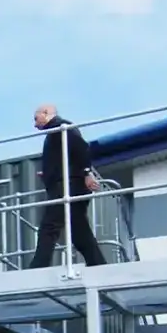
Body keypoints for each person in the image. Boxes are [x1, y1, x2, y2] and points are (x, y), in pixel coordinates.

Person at [28, 104, 107, 269]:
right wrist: (48, 174)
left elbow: (81, 148)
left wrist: (87, 173)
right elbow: (65, 158)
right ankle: (98, 264)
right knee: (79, 231)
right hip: (68, 184)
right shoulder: (55, 132)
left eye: (36, 118)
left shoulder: (62, 127)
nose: (35, 124)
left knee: (49, 226)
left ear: (46, 113)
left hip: (67, 186)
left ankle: (38, 266)